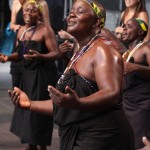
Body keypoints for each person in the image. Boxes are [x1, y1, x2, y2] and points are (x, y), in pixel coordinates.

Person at [7, 0, 135, 149]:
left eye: (80, 11)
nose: (71, 15)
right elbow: (63, 104)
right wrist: (29, 104)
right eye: (71, 11)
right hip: (80, 135)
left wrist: (78, 103)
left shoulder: (103, 49)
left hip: (102, 137)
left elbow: (111, 93)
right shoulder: (79, 52)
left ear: (97, 22)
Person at [0, 1, 59, 150]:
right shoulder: (21, 31)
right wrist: (7, 57)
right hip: (27, 75)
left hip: (42, 76)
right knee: (27, 110)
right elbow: (20, 54)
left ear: (39, 14)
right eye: (26, 10)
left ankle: (42, 145)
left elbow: (56, 53)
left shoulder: (45, 30)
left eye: (32, 11)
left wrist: (40, 56)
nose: (28, 13)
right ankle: (32, 143)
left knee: (39, 112)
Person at [122, 18, 150, 149]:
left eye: (129, 26)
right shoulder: (127, 53)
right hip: (126, 103)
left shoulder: (145, 48)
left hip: (140, 106)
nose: (124, 29)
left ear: (140, 31)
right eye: (123, 26)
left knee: (138, 143)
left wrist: (136, 67)